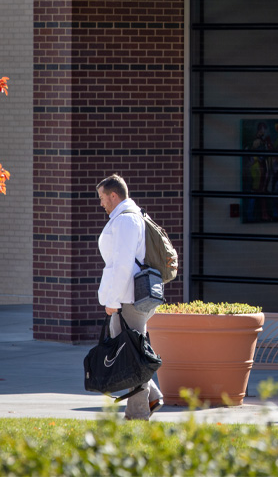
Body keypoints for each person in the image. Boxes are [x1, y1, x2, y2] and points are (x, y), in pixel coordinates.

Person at [96, 174, 163, 420]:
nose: (101, 203)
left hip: (128, 300)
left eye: (103, 198)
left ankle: (137, 414)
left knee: (131, 357)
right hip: (129, 298)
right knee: (131, 353)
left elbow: (123, 265)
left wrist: (113, 303)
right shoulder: (127, 218)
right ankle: (153, 396)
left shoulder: (125, 221)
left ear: (114, 196)